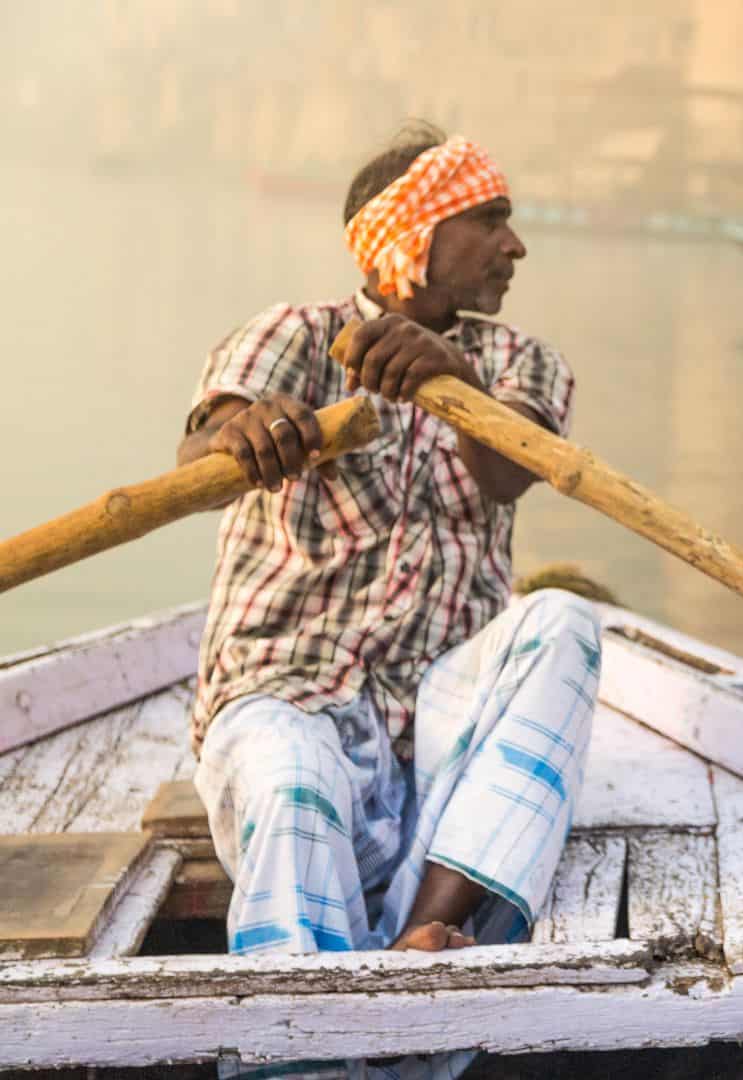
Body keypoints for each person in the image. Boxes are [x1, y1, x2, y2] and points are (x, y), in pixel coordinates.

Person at [177, 123, 602, 1080]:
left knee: (565, 621)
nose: (515, 245)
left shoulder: (524, 363)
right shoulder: (291, 333)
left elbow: (504, 473)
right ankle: (301, 1057)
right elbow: (199, 454)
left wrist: (457, 383)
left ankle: (426, 934)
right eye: (489, 220)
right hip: (285, 692)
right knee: (289, 781)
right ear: (414, 235)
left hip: (439, 719)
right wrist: (249, 433)